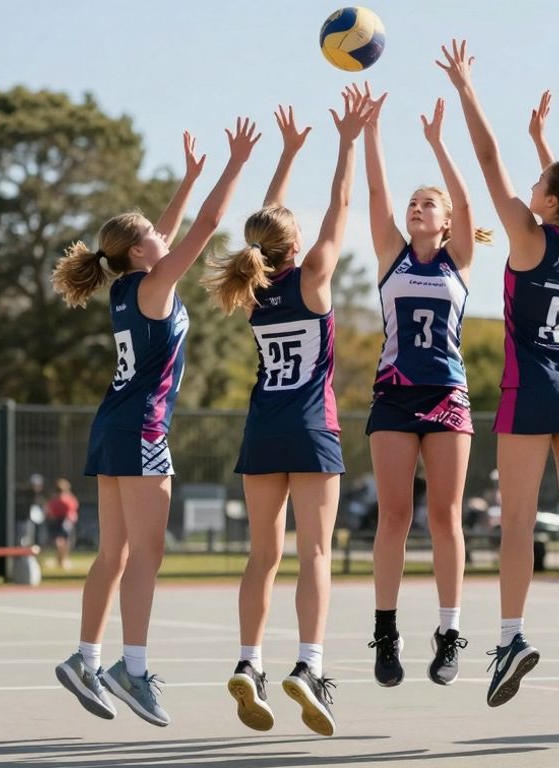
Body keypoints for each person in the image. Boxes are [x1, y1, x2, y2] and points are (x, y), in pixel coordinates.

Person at [437, 43, 559, 708]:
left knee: (516, 521)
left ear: (546, 201)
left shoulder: (527, 235)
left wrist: (468, 90)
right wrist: (544, 141)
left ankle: (514, 639)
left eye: (539, 184)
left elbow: (489, 163)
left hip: (532, 388)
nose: (529, 188)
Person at [51, 123, 259, 726]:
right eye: (150, 237)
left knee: (113, 553)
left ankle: (85, 657)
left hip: (112, 423)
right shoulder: (157, 282)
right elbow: (206, 225)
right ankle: (131, 668)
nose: (159, 238)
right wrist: (233, 165)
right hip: (142, 429)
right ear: (140, 252)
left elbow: (164, 231)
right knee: (146, 555)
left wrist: (188, 177)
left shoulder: (128, 284)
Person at [207, 93, 375, 736]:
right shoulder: (313, 278)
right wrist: (348, 140)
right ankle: (308, 666)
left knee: (261, 556)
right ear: (294, 243)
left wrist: (283, 156)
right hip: (310, 427)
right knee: (316, 554)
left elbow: (262, 227)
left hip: (262, 428)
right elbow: (341, 204)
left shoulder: (252, 289)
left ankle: (249, 662)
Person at [355, 80, 488, 687]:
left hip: (447, 396)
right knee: (394, 516)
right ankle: (386, 631)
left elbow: (466, 192)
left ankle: (449, 631)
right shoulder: (393, 255)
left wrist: (439, 144)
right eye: (413, 204)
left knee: (445, 516)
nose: (416, 208)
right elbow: (377, 190)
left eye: (427, 204)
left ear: (449, 220)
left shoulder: (458, 260)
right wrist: (371, 131)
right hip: (393, 396)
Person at [45, 478, 80, 570]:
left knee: (60, 542)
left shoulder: (54, 500)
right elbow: (72, 511)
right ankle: (62, 559)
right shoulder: (69, 499)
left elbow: (49, 511)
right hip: (64, 521)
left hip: (59, 521)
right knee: (64, 542)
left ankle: (61, 559)